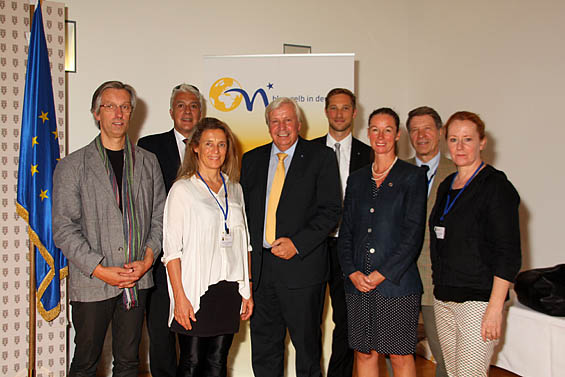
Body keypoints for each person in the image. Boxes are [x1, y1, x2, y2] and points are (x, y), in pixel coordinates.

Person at [52, 81, 166, 376]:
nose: (118, 113)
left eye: (125, 106)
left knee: (129, 362)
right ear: (96, 113)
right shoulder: (72, 166)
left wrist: (148, 261)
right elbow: (64, 228)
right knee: (86, 361)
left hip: (136, 280)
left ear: (131, 112)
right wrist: (100, 269)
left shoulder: (148, 163)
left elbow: (160, 218)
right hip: (92, 282)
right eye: (110, 106)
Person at [240, 97, 341, 377]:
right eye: (275, 121)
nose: (282, 127)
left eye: (287, 120)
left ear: (299, 123)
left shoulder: (321, 157)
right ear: (268, 125)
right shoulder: (252, 160)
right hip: (261, 273)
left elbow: (331, 210)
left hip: (303, 270)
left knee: (307, 351)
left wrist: (298, 244)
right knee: (264, 349)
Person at [429, 111, 521, 377]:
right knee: (454, 372)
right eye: (454, 139)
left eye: (467, 139)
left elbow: (508, 252)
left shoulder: (496, 187)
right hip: (444, 296)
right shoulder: (447, 185)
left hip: (478, 301)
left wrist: (494, 308)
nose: (460, 147)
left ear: (482, 142)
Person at [338, 107, 427, 377]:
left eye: (387, 130)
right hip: (358, 285)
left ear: (397, 134)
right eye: (375, 129)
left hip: (395, 285)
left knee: (399, 355)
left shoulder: (412, 177)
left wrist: (380, 275)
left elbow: (412, 237)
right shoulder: (357, 179)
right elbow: (347, 232)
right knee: (364, 353)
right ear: (367, 133)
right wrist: (352, 271)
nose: (381, 136)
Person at [162, 117, 252, 377]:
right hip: (194, 289)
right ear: (196, 148)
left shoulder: (234, 188)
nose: (216, 150)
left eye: (222, 144)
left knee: (217, 363)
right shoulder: (182, 190)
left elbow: (244, 243)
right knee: (191, 364)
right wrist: (179, 297)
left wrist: (247, 290)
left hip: (228, 289)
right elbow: (171, 251)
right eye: (209, 144)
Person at [138, 83, 204, 377]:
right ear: (171, 111)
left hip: (202, 260)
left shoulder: (213, 147)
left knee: (197, 336)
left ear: (200, 112)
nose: (187, 111)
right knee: (162, 334)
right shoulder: (149, 146)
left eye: (192, 106)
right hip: (161, 257)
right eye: (181, 105)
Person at [311, 88, 372, 377]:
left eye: (345, 108)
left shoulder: (369, 155)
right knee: (309, 319)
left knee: (346, 321)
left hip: (351, 251)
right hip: (312, 248)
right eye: (333, 108)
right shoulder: (307, 151)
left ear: (354, 112)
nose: (338, 114)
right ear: (325, 111)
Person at [406, 106, 455, 377]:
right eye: (414, 130)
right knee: (397, 352)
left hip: (438, 281)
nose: (420, 135)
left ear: (440, 131)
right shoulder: (397, 172)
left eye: (426, 128)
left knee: (445, 356)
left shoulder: (458, 173)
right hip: (400, 280)